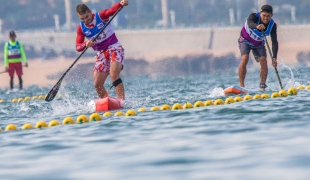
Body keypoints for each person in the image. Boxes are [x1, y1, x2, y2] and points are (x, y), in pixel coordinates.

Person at [75, 0, 128, 100]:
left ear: (90, 11)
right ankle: (106, 102)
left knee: (113, 74)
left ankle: (121, 101)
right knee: (97, 84)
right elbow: (78, 46)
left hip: (114, 48)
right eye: (83, 19)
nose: (86, 20)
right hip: (101, 53)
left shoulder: (101, 16)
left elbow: (112, 11)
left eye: (87, 17)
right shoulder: (81, 28)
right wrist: (85, 44)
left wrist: (121, 4)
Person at [238, 4, 278, 91]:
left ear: (271, 15)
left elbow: (274, 42)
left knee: (263, 60)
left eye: (268, 16)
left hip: (258, 44)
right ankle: (241, 86)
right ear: (260, 13)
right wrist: (257, 26)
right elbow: (250, 23)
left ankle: (262, 86)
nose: (266, 18)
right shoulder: (253, 16)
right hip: (245, 40)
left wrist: (274, 57)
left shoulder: (273, 25)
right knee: (245, 59)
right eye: (264, 15)